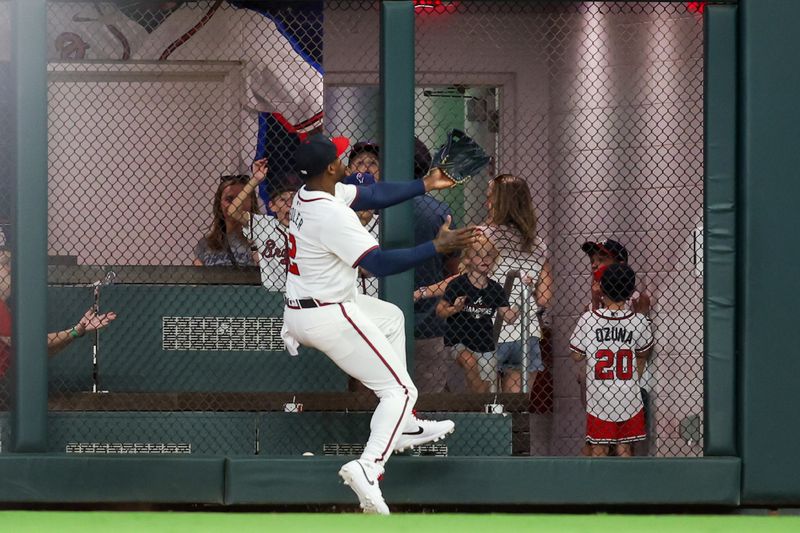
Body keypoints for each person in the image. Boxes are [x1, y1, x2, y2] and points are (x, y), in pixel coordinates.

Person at [280, 134, 477, 515]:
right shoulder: (331, 213)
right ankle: (369, 467)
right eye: (339, 158)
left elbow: (371, 195)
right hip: (328, 313)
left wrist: (426, 183)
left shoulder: (311, 192)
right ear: (330, 169)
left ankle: (403, 425)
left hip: (307, 308)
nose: (345, 161)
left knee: (391, 317)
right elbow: (380, 264)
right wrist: (438, 247)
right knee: (401, 391)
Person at [570, 263, 654, 457]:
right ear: (630, 291)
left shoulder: (589, 319)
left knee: (599, 448)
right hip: (629, 395)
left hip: (600, 396)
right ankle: (624, 486)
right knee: (624, 448)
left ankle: (599, 486)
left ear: (602, 288)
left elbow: (575, 354)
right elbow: (643, 351)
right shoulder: (638, 320)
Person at [483, 174, 553, 393]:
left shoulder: (482, 236)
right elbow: (544, 296)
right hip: (524, 331)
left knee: (485, 405)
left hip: (486, 327)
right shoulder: (536, 244)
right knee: (516, 406)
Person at [0, 246, 116, 372]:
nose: (12, 277)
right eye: (7, 270)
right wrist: (73, 331)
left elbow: (36, 354)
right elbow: (29, 344)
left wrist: (75, 332)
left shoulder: (5, 311)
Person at [436, 234, 518, 393]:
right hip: (459, 341)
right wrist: (455, 309)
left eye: (489, 255)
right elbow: (440, 310)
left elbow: (508, 316)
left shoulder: (495, 289)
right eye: (479, 255)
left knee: (486, 385)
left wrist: (520, 306)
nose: (484, 259)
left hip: (485, 344)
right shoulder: (457, 284)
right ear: (467, 260)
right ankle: (477, 405)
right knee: (469, 362)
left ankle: (479, 407)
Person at [411, 138, 460, 393]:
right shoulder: (439, 211)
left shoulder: (378, 208)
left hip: (380, 318)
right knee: (429, 398)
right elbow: (453, 267)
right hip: (429, 319)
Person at [226, 160, 300, 291]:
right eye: (282, 199)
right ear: (272, 206)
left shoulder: (308, 227)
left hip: (303, 295)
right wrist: (254, 180)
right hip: (272, 293)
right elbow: (233, 211)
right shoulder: (264, 225)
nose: (289, 204)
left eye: (294, 199)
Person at [193, 174, 258, 267]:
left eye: (241, 199)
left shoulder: (262, 242)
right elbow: (198, 278)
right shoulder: (205, 244)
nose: (236, 205)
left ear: (252, 203)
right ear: (219, 205)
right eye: (229, 199)